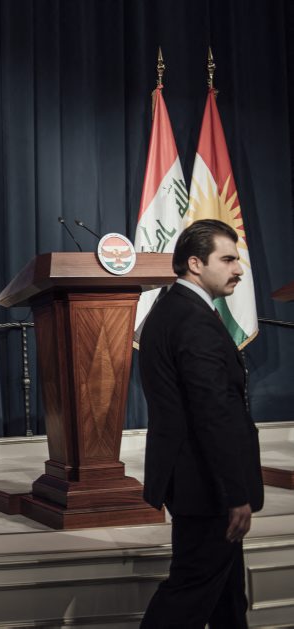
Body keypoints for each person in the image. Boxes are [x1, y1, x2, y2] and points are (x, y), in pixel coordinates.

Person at [139, 218, 264, 628]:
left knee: (227, 596)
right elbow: (213, 415)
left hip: (197, 477)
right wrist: (235, 494)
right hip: (206, 484)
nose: (238, 269)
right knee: (189, 593)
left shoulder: (173, 308)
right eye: (227, 259)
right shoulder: (192, 319)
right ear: (195, 263)